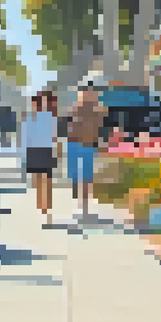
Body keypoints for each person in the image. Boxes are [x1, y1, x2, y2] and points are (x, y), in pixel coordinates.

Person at [64, 83, 108, 221]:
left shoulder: (99, 110)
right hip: (74, 145)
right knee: (76, 177)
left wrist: (103, 143)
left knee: (87, 178)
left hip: (89, 145)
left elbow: (102, 128)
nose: (89, 94)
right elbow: (67, 125)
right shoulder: (75, 108)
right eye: (86, 92)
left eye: (91, 92)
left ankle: (84, 207)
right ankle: (80, 204)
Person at [22, 90, 61, 228]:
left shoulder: (32, 117)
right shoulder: (49, 117)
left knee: (41, 178)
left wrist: (24, 155)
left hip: (38, 149)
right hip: (44, 149)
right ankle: (45, 205)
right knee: (45, 178)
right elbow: (55, 136)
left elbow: (26, 138)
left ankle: (43, 205)